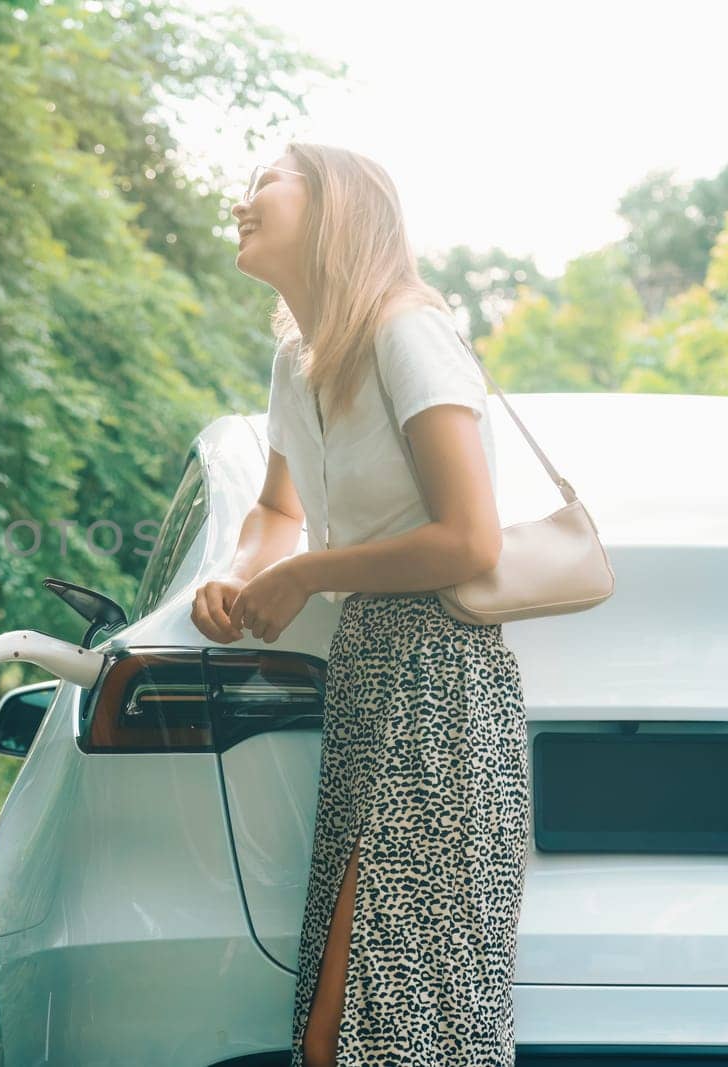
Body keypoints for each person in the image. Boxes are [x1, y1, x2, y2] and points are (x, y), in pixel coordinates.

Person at [189, 143, 528, 1066]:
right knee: (351, 1028)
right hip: (373, 679)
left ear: (337, 205)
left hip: (444, 689)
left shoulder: (406, 330)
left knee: (383, 1027)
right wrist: (235, 569)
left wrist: (304, 572)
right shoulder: (300, 359)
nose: (241, 199)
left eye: (266, 181)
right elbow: (274, 510)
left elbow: (471, 539)